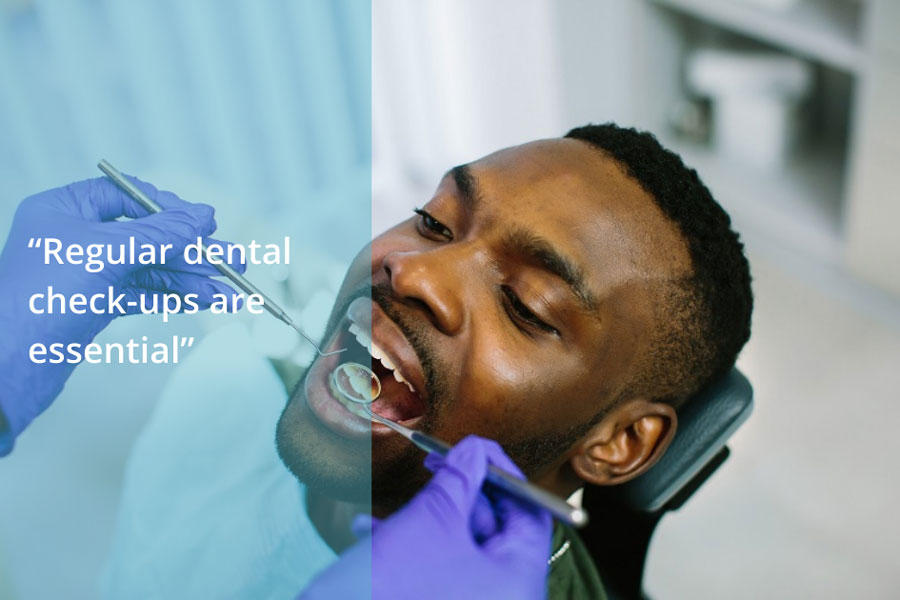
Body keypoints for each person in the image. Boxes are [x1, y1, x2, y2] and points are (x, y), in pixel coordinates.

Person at [0, 177, 553, 597]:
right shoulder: (220, 388)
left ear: (618, 446)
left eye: (526, 305)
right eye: (431, 223)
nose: (413, 272)